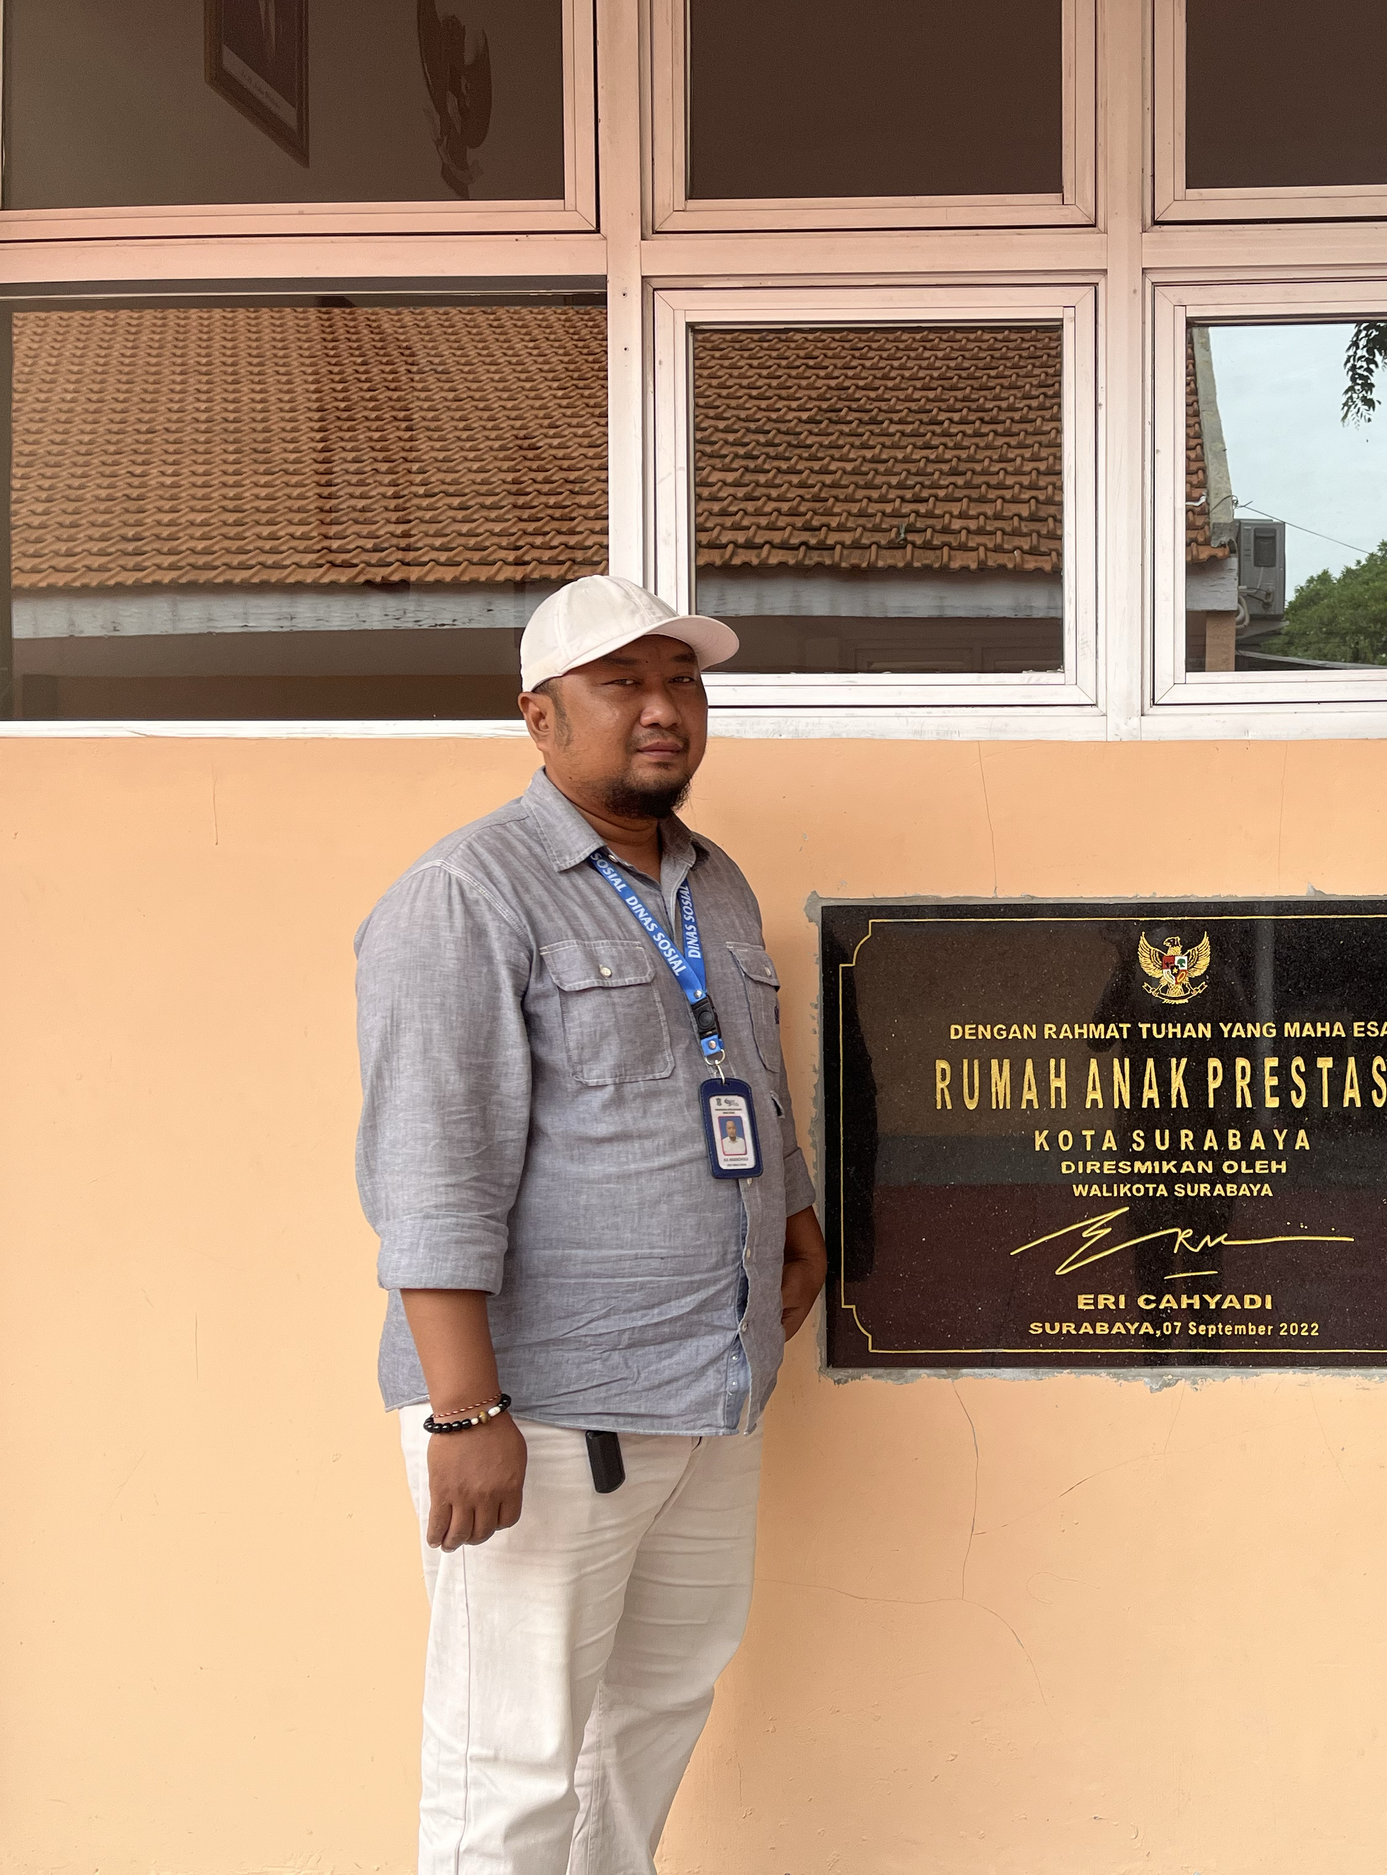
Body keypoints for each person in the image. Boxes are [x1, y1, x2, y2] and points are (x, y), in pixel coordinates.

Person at [355, 573, 826, 1874]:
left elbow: (739, 1075)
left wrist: (792, 1216)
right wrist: (464, 1411)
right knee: (504, 1763)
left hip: (706, 1388)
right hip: (546, 1415)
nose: (663, 709)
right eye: (623, 683)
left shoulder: (710, 881)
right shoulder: (464, 895)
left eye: (682, 681)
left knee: (648, 1727)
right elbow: (430, 1170)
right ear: (541, 716)